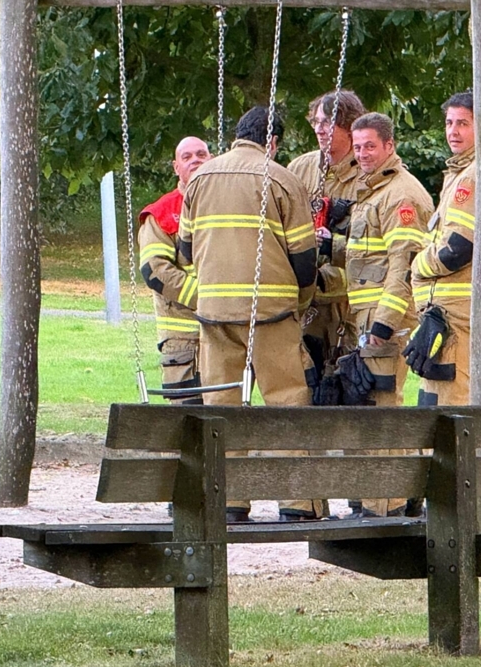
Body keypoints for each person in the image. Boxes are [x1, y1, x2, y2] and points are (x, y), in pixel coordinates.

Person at [179, 106, 323, 522]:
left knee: (222, 405)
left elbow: (186, 250)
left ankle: (230, 501)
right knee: (286, 402)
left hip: (214, 315)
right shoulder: (281, 178)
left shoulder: (200, 179)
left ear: (237, 135)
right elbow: (303, 258)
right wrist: (301, 302)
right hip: (271, 313)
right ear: (273, 142)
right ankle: (297, 502)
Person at [407, 90, 481, 407]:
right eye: (449, 122)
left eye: (463, 123)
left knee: (450, 411)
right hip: (443, 314)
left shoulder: (477, 173)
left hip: (459, 317)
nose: (453, 131)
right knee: (432, 408)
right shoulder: (462, 173)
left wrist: (417, 267)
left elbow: (459, 248)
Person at [343, 112, 434, 517]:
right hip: (367, 319)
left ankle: (384, 505)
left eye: (370, 147)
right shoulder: (373, 190)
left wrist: (383, 325)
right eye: (358, 146)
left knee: (382, 409)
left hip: (386, 323)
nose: (362, 154)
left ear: (389, 146)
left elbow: (404, 267)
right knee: (378, 406)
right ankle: (404, 494)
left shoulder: (401, 195)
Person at [287, 90, 366, 375]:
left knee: (351, 388)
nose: (320, 129)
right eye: (316, 122)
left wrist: (333, 242)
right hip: (309, 299)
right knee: (307, 385)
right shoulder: (300, 168)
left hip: (349, 304)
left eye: (328, 123)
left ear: (350, 125)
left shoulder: (366, 172)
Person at [137, 136, 209, 405]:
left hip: (224, 335)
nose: (196, 160)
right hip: (183, 341)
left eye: (201, 154)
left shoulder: (224, 204)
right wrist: (207, 299)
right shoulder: (161, 212)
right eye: (187, 157)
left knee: (227, 418)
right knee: (185, 424)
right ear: (175, 167)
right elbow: (155, 271)